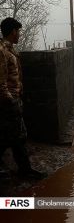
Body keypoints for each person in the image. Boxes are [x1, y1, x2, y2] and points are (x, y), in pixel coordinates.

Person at [0, 17, 46, 179]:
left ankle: (24, 169)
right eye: (18, 31)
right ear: (12, 31)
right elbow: (1, 81)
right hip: (8, 103)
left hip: (14, 99)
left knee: (16, 136)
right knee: (14, 137)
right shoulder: (2, 51)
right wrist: (10, 99)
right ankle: (24, 170)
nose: (19, 34)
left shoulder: (11, 50)